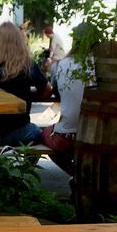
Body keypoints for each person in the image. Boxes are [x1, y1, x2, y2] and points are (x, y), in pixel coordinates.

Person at [41, 48, 83, 176]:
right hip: (94, 136)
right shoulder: (99, 65)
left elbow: (54, 91)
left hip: (66, 137)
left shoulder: (61, 64)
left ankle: (76, 176)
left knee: (43, 134)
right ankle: (81, 177)